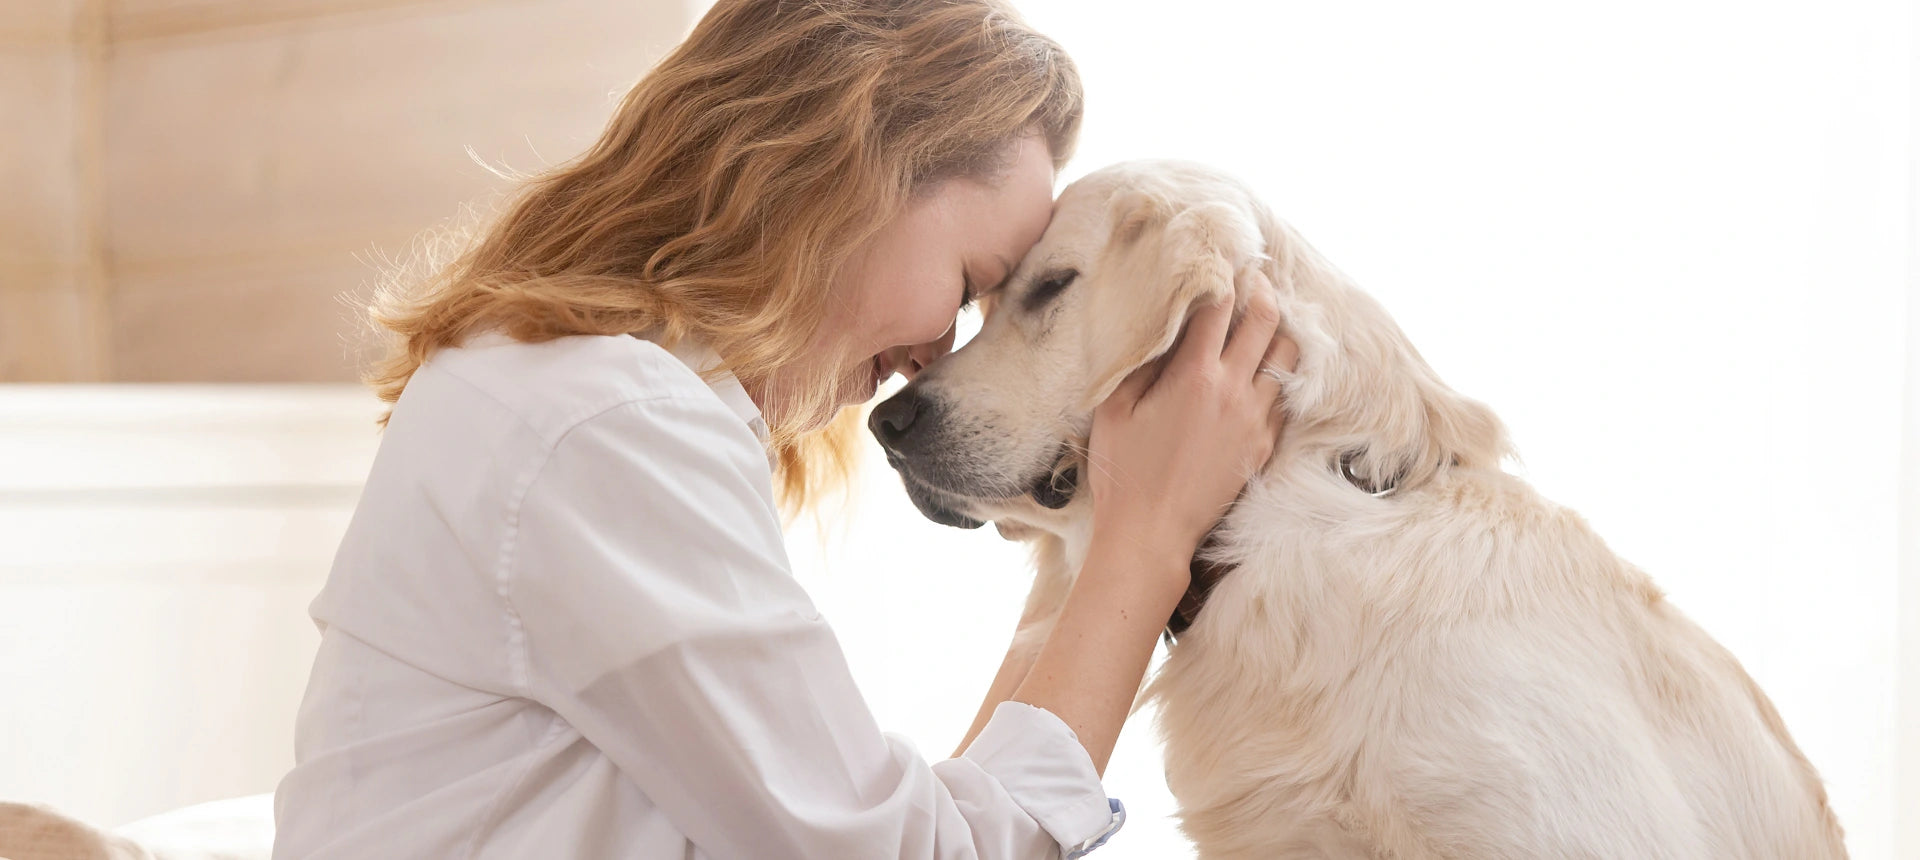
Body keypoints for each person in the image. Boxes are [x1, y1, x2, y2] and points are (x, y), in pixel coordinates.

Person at [271, 1, 1293, 857]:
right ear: (846, 171)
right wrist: (1145, 542)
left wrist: (1086, 551)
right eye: (972, 284)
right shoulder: (607, 424)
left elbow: (903, 824)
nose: (938, 352)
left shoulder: (568, 385)